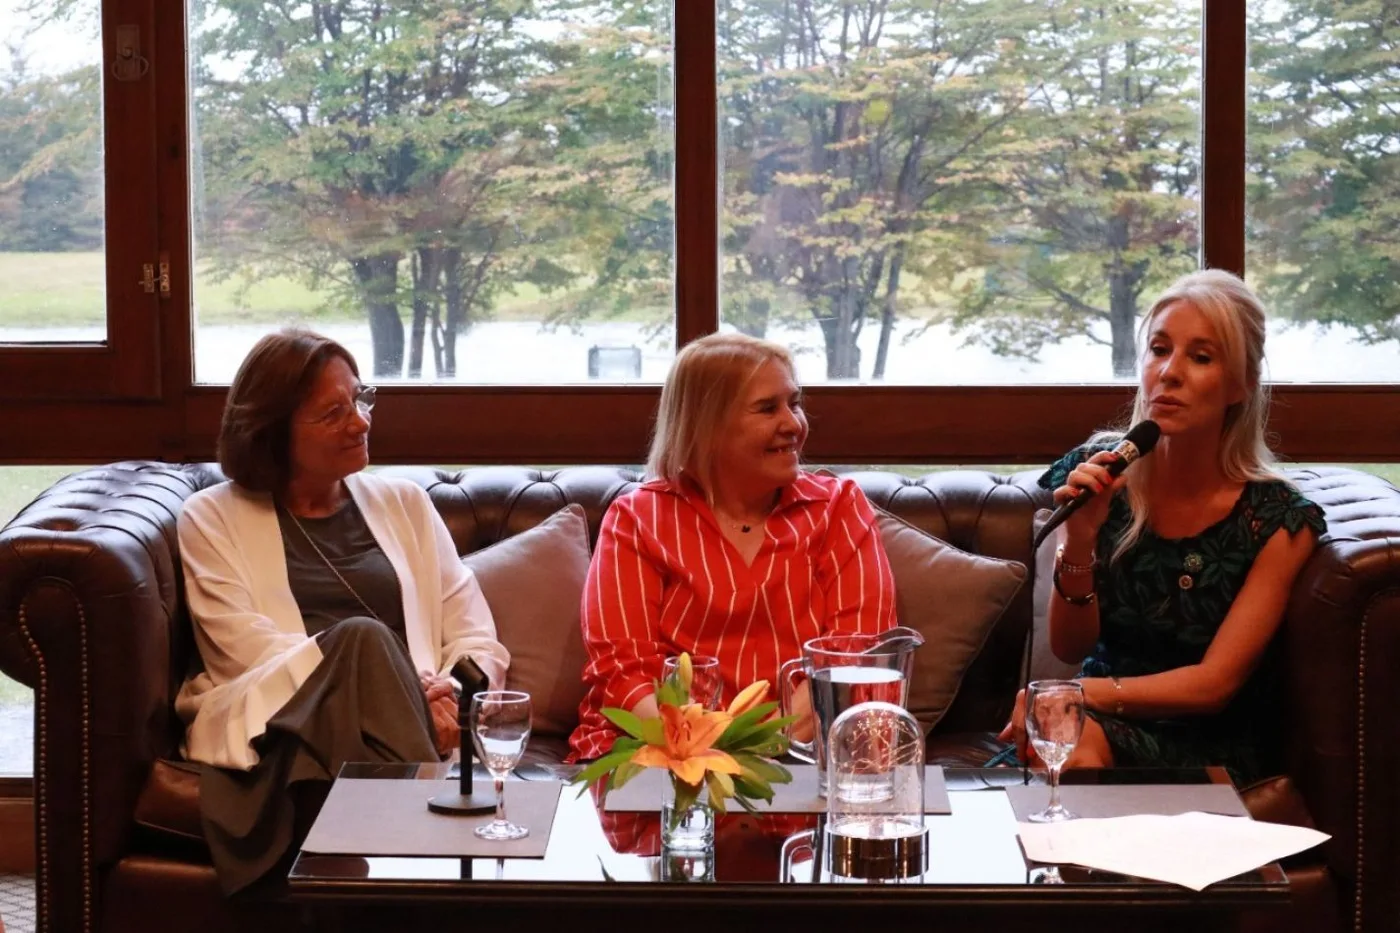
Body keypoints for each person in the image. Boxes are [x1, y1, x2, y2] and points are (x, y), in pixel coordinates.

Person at [175, 328, 509, 893]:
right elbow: (242, 652)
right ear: (273, 433)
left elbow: (472, 630)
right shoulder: (211, 517)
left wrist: (448, 696)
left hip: (381, 737)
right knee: (361, 638)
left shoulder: (404, 504)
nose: (360, 421)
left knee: (363, 658)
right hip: (281, 727)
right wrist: (400, 689)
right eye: (333, 413)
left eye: (360, 398)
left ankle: (383, 890)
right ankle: (441, 876)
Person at [1000, 269, 1325, 785]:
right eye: (1158, 349)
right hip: (1095, 718)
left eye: (1201, 357)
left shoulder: (1276, 519)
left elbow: (1213, 686)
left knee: (1070, 735)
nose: (1169, 372)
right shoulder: (1101, 471)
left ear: (1240, 384)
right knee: (1063, 738)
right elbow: (1069, 648)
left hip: (1206, 736)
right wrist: (1079, 537)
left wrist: (1076, 694)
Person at [569, 332, 897, 761]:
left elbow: (854, 651)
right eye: (767, 408)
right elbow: (622, 669)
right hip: (658, 752)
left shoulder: (836, 508)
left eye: (794, 403)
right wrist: (700, 757)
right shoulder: (637, 519)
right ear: (706, 425)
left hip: (802, 752)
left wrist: (760, 753)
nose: (793, 424)